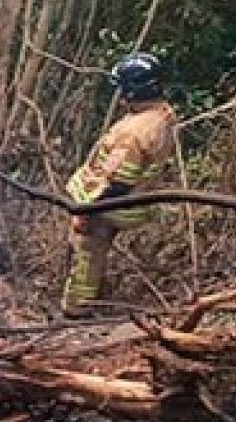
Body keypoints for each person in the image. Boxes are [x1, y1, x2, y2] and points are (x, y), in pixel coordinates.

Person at [62, 53, 177, 317]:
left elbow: (117, 185)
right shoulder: (162, 114)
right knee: (94, 250)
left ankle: (76, 309)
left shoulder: (133, 133)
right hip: (139, 198)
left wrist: (86, 211)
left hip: (115, 204)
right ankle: (93, 294)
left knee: (87, 249)